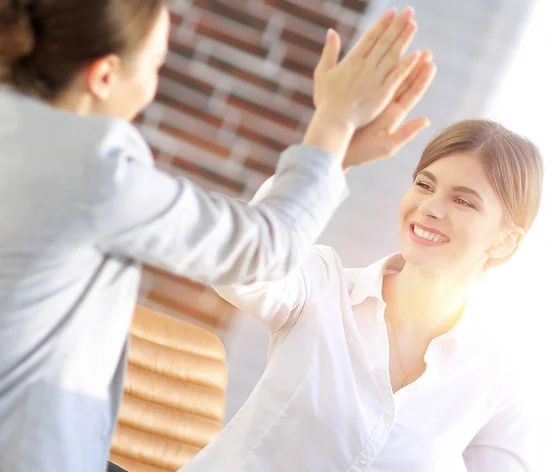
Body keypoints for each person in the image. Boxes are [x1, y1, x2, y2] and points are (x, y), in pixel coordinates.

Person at [0, 0, 436, 470]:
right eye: (155, 67)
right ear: (104, 75)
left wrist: (335, 156)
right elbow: (263, 252)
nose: (152, 86)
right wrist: (333, 121)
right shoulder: (96, 172)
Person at [179, 119, 544, 472]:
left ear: (506, 240)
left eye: (463, 201)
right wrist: (331, 156)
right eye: (424, 185)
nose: (430, 208)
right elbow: (240, 267)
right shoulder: (323, 287)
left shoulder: (497, 375)